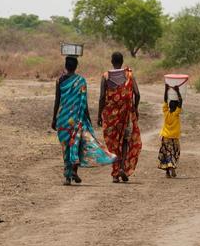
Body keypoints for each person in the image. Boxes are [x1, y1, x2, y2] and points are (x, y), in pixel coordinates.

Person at [52, 56, 116, 185]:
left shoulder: (59, 81)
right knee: (76, 144)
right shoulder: (81, 81)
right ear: (76, 66)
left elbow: (57, 101)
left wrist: (54, 118)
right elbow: (84, 102)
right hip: (77, 118)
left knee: (66, 148)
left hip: (63, 119)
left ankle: (68, 176)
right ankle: (74, 171)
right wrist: (88, 118)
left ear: (65, 66)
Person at [97, 52, 142, 183]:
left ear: (112, 61)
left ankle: (115, 174)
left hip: (110, 116)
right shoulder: (129, 75)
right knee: (126, 140)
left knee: (113, 143)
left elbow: (101, 98)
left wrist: (99, 115)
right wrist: (135, 108)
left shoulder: (105, 77)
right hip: (126, 115)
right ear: (122, 61)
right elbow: (137, 94)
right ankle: (122, 167)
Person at [158, 84, 183, 178]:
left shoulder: (166, 112)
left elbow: (165, 100)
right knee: (174, 153)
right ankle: (172, 168)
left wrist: (166, 90)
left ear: (169, 106)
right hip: (174, 137)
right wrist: (177, 91)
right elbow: (181, 101)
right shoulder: (176, 113)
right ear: (176, 107)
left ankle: (167, 172)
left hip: (165, 137)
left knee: (166, 154)